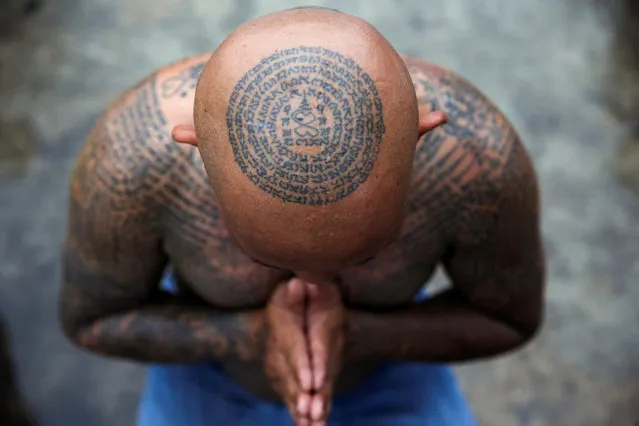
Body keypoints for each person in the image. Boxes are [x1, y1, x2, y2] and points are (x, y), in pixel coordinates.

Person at [59, 6, 545, 426]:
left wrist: (362, 335)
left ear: (419, 139)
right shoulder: (129, 163)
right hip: (212, 377)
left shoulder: (481, 163)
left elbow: (512, 320)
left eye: (365, 256)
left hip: (388, 370)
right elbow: (89, 321)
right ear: (198, 150)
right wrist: (250, 338)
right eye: (269, 260)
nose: (312, 285)